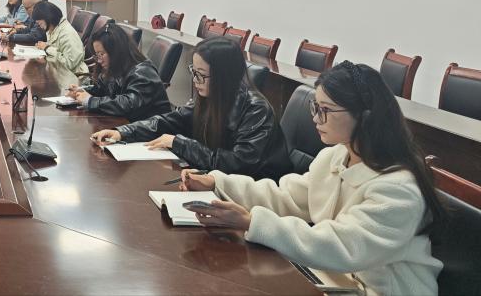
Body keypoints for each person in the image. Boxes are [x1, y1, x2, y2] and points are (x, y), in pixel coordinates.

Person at [179, 62, 445, 295]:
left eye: (325, 109)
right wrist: (218, 182)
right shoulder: (336, 156)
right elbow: (287, 197)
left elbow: (341, 245)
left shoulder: (398, 188)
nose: (316, 118)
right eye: (315, 107)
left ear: (364, 117)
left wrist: (252, 221)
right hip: (337, 279)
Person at [91, 37, 289, 180]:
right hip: (216, 181)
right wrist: (122, 132)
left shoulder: (255, 110)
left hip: (253, 195)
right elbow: (169, 120)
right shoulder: (210, 97)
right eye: (194, 72)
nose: (195, 81)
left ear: (223, 77)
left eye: (201, 74)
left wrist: (180, 143)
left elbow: (238, 165)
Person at [67, 23, 171, 121]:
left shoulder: (143, 72)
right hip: (128, 125)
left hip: (150, 130)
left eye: (101, 54)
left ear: (116, 51)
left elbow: (129, 104)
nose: (99, 60)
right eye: (97, 55)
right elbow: (102, 88)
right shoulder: (117, 67)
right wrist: (81, 92)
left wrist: (90, 101)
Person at [32, 2, 88, 75]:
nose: (39, 26)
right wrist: (44, 46)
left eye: (40, 23)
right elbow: (58, 47)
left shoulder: (67, 34)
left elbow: (68, 65)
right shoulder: (53, 29)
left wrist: (47, 48)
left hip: (74, 76)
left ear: (48, 18)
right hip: (58, 72)